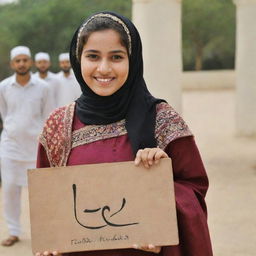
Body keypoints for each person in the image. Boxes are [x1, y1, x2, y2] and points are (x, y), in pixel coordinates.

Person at [35, 11, 213, 256]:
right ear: (78, 59)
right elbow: (49, 204)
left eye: (117, 57)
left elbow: (193, 190)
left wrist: (160, 187)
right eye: (93, 56)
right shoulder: (58, 125)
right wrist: (50, 244)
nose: (104, 68)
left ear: (133, 59)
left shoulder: (161, 119)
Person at [0, 46, 54, 247]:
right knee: (10, 191)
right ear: (12, 64)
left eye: (25, 60)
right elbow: (5, 115)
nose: (21, 63)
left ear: (30, 62)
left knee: (39, 193)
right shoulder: (4, 87)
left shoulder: (43, 87)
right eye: (18, 60)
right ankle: (13, 232)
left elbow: (48, 115)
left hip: (35, 148)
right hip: (10, 148)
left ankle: (44, 232)